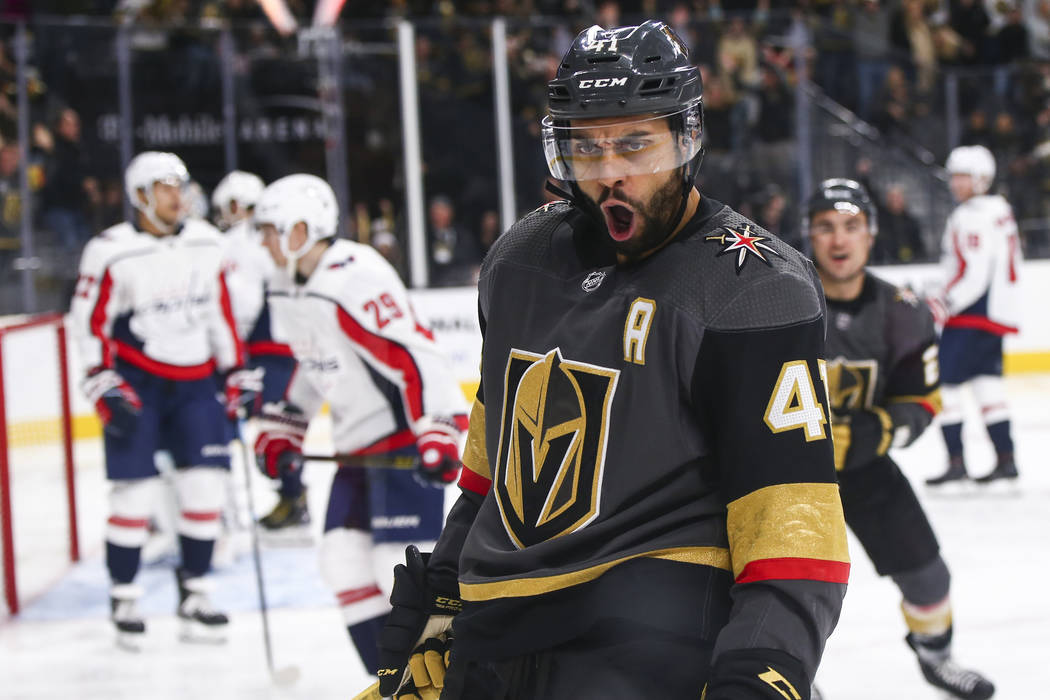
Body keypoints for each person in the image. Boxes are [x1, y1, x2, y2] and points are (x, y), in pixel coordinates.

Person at [375, 21, 849, 700]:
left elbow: (793, 524)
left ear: (686, 140)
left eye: (634, 143)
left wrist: (761, 672)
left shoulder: (752, 285)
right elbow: (490, 473)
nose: (610, 172)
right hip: (498, 642)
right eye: (586, 147)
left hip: (655, 645)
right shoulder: (519, 262)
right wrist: (446, 597)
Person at [251, 174, 469, 675]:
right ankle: (389, 680)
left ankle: (444, 682)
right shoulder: (287, 284)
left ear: (302, 228)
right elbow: (316, 366)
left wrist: (438, 427)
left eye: (270, 229)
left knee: (399, 571)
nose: (262, 242)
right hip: (356, 446)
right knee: (341, 562)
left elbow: (413, 356)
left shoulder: (352, 276)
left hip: (400, 442)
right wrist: (287, 426)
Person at [806, 178, 995, 700]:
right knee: (776, 588)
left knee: (929, 578)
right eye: (825, 227)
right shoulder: (780, 297)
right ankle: (786, 679)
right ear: (809, 235)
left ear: (871, 234)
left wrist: (877, 431)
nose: (839, 240)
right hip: (785, 474)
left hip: (865, 468)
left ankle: (937, 658)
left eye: (851, 226)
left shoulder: (902, 309)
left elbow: (923, 399)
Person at [69, 151, 260, 647]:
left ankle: (195, 593)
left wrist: (234, 369)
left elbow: (220, 311)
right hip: (139, 383)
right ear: (139, 197)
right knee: (133, 495)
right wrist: (100, 381)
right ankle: (125, 596)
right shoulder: (110, 250)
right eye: (165, 186)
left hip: (197, 383)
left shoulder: (206, 242)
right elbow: (89, 323)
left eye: (181, 185)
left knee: (205, 489)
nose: (179, 195)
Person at [211, 170, 305, 534]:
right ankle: (292, 496)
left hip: (269, 351)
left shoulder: (238, 243)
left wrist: (233, 357)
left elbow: (242, 308)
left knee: (273, 423)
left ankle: (291, 497)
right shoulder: (272, 237)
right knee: (275, 423)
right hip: (279, 349)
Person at [925, 145, 1023, 486]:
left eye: (963, 176)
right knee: (987, 386)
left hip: (970, 314)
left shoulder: (971, 215)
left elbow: (974, 272)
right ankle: (1006, 459)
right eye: (954, 176)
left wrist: (943, 302)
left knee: (945, 386)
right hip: (994, 314)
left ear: (981, 179)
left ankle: (956, 462)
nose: (955, 183)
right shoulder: (1000, 209)